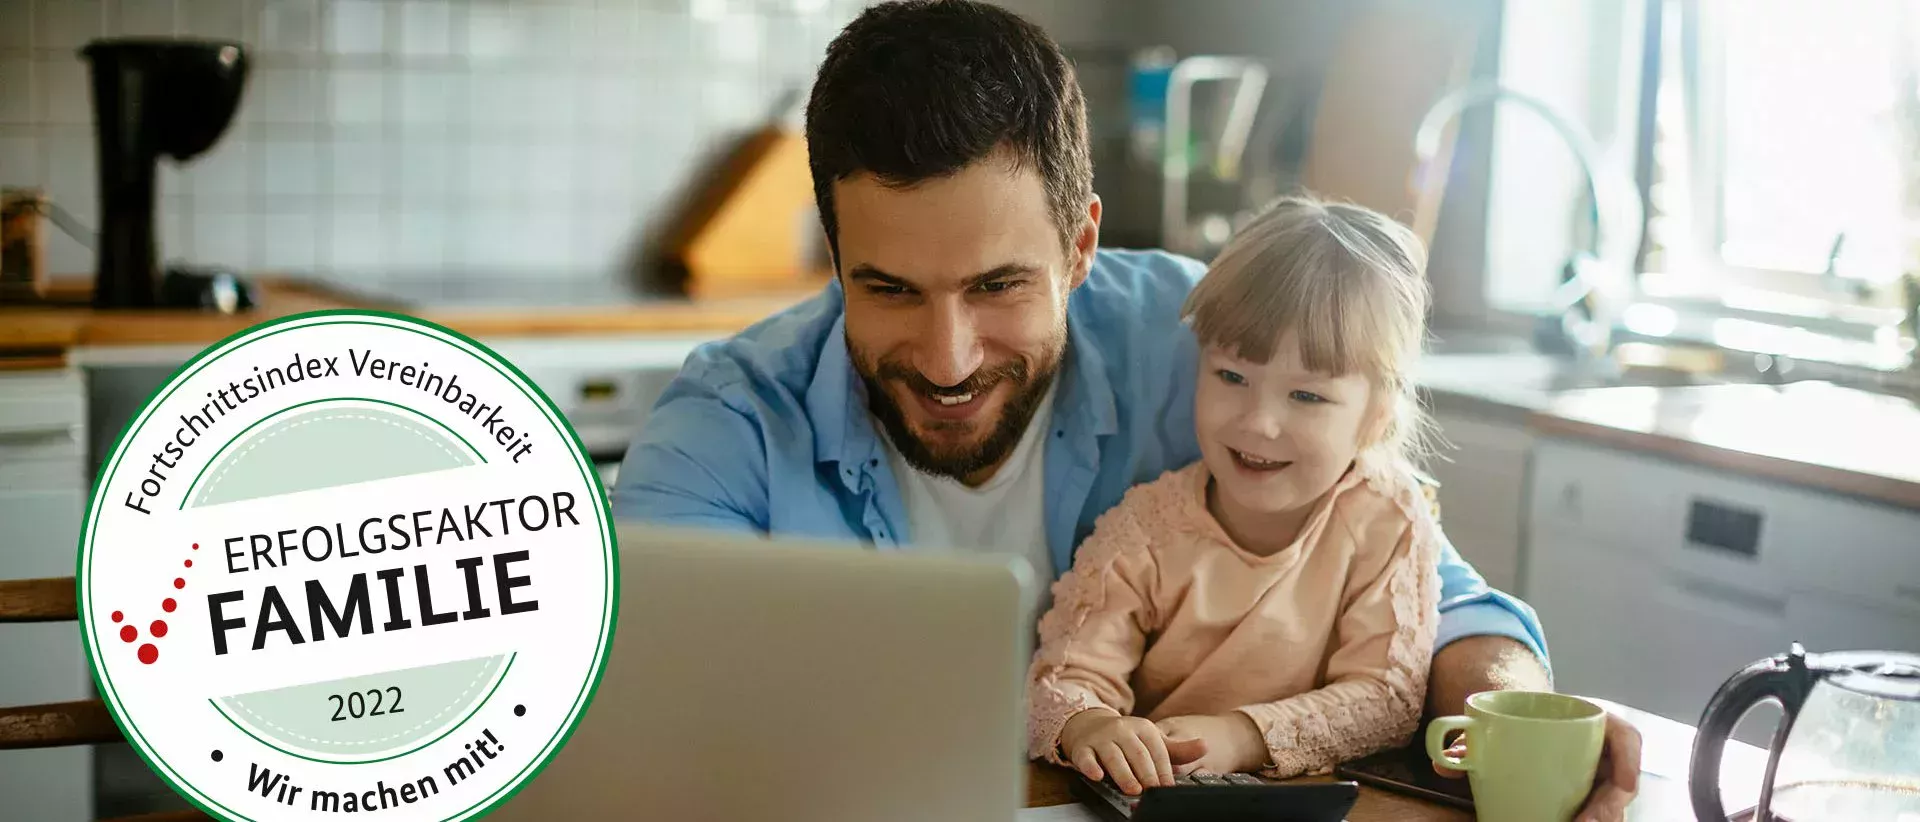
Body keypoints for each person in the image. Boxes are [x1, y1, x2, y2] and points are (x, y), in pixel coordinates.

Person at [612, 2, 1639, 819]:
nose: (947, 356)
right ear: (831, 256)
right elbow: (636, 700)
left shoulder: (1210, 351)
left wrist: (1514, 715)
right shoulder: (728, 424)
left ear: (1082, 245)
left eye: (998, 287)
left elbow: (1438, 597)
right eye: (886, 289)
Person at [1027, 195, 1445, 792]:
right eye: (1231, 377)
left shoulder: (1389, 522)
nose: (1258, 422)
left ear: (1377, 417)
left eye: (1306, 396)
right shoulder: (1145, 531)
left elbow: (1389, 697)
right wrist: (1088, 723)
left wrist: (1242, 737)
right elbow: (1058, 682)